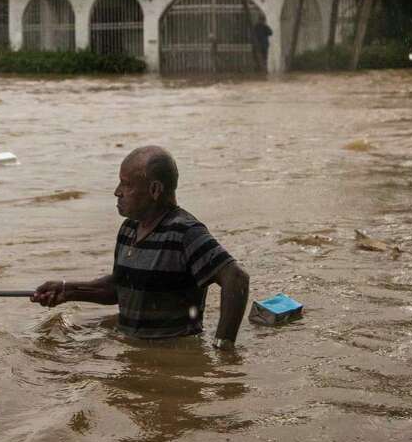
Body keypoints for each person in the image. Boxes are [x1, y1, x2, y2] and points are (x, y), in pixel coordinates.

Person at [32, 146, 250, 348]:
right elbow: (120, 288)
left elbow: (236, 278)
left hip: (169, 353)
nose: (117, 192)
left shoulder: (185, 232)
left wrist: (224, 347)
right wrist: (67, 290)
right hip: (131, 344)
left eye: (126, 184)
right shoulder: (129, 228)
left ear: (155, 189)